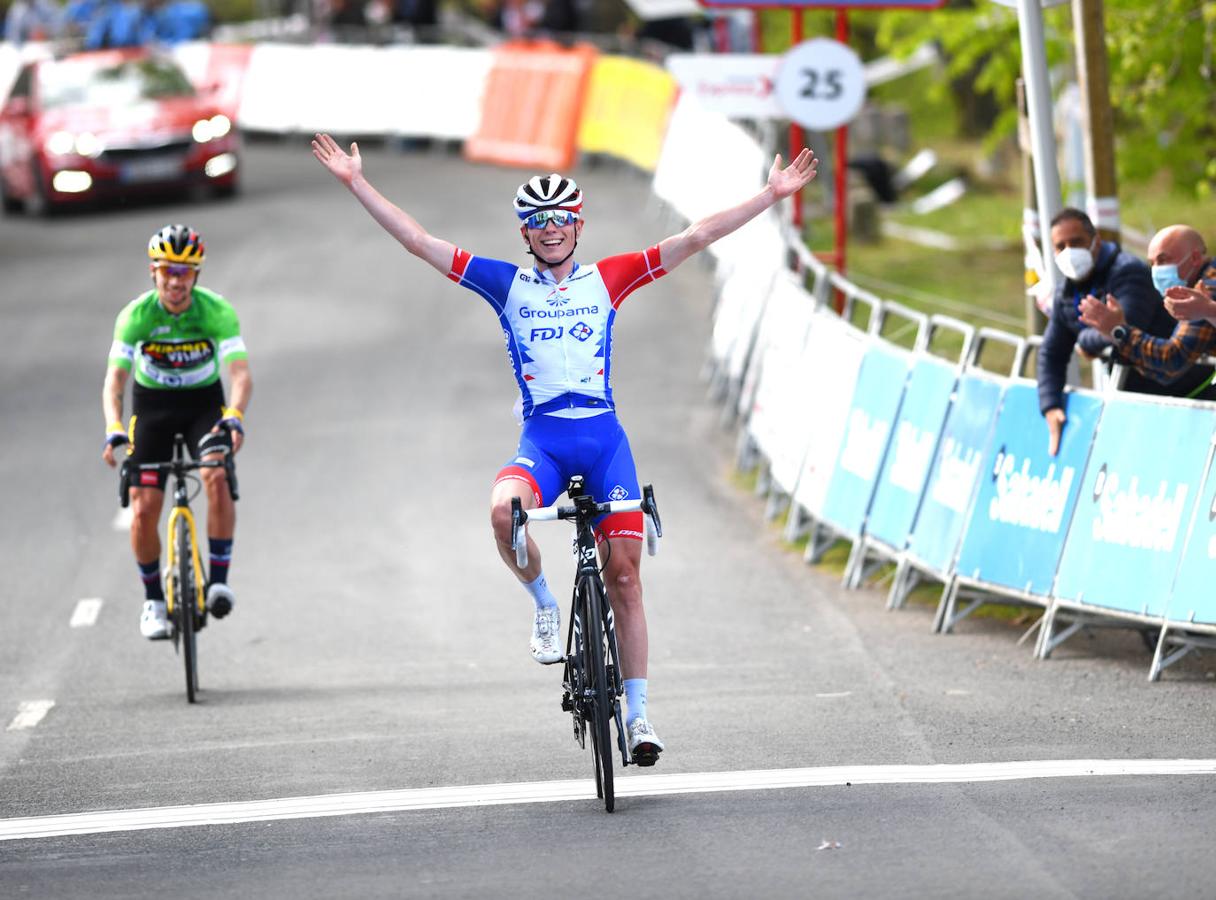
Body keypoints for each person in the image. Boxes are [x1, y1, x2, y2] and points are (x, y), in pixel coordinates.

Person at [311, 132, 817, 764]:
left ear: (578, 226)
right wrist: (357, 183)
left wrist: (770, 196)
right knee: (503, 511)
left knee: (626, 578)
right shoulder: (506, 284)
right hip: (544, 444)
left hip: (605, 441)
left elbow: (693, 238)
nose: (550, 229)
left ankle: (637, 717)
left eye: (561, 219)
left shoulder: (610, 278)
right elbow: (419, 242)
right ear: (525, 232)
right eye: (537, 221)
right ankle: (546, 606)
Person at [101, 225, 252, 640]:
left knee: (216, 476)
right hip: (154, 411)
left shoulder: (216, 311)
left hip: (204, 406)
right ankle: (153, 601)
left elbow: (239, 374)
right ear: (154, 272)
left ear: (196, 275)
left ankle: (218, 580)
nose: (174, 281)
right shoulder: (136, 316)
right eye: (167, 271)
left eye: (184, 273)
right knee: (144, 504)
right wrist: (114, 427)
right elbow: (115, 382)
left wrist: (235, 414)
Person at [1036, 208, 1200, 455]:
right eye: (1061, 246)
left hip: (1184, 395)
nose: (1069, 252)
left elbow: (1122, 328)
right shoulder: (1065, 293)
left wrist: (1084, 341)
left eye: (1077, 242)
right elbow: (1051, 352)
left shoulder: (1129, 272)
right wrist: (1050, 406)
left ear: (1096, 241)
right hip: (1132, 402)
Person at [1079, 226, 1216, 397]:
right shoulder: (1191, 288)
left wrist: (1119, 332)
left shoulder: (1208, 288)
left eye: (1163, 260)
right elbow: (1167, 371)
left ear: (1195, 258)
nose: (1157, 270)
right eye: (1152, 263)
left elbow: (1171, 360)